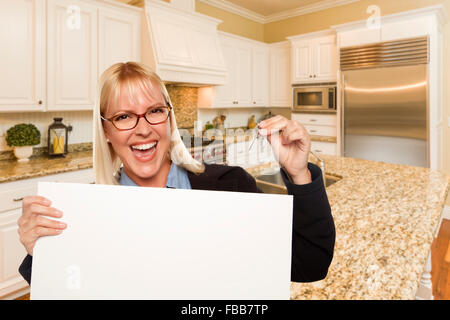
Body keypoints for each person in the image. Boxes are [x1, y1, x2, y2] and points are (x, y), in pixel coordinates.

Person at [17, 62, 335, 286]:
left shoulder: (232, 185)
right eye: (125, 116)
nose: (143, 129)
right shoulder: (83, 212)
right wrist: (41, 252)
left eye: (155, 111)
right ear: (107, 131)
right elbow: (67, 289)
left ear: (168, 120)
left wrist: (298, 174)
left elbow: (310, 263)